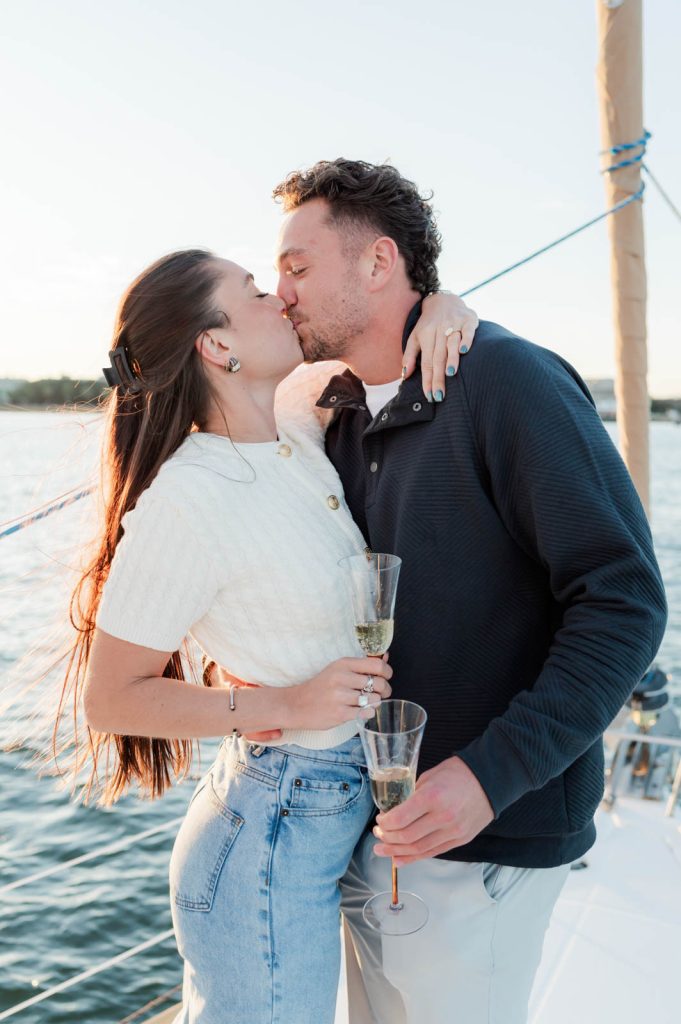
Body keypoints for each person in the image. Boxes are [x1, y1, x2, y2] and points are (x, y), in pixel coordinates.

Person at [266, 158, 668, 1024]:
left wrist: (490, 776)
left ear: (378, 261)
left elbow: (623, 600)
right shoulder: (333, 412)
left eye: (296, 266)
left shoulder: (508, 381)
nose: (280, 292)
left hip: (488, 836)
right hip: (370, 831)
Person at [62, 249, 476, 1023]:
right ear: (217, 346)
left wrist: (443, 305)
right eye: (254, 291)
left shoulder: (294, 417)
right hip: (269, 837)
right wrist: (286, 701)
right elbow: (110, 700)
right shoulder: (186, 499)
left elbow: (378, 336)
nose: (279, 299)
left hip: (322, 818)